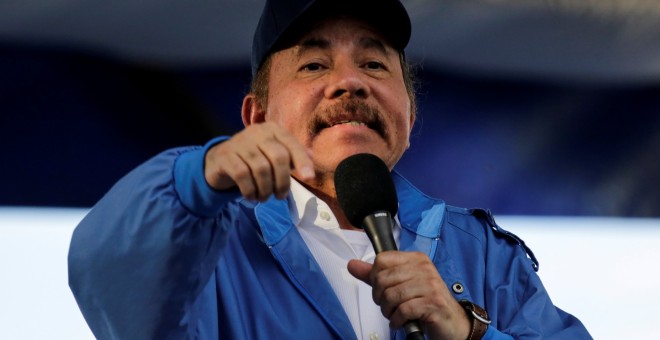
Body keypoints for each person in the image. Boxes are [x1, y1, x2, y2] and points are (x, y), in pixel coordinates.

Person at [68, 0, 592, 339]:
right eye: (314, 65)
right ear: (257, 117)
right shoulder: (205, 247)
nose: (350, 84)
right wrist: (191, 181)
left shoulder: (483, 254)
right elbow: (110, 275)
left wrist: (467, 331)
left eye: (374, 64)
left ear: (409, 116)